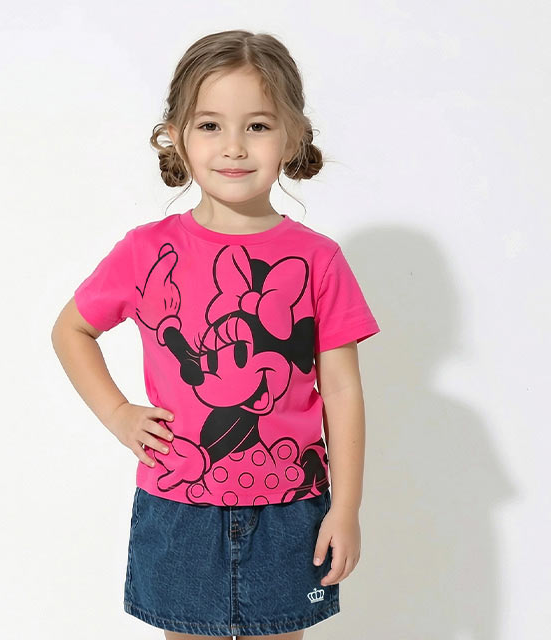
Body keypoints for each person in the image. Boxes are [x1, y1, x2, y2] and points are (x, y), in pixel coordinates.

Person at [51, 29, 381, 640]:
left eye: (257, 125)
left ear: (293, 136)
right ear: (176, 135)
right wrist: (119, 414)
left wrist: (346, 507)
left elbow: (341, 390)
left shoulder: (318, 260)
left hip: (291, 510)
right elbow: (71, 329)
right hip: (177, 509)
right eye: (210, 125)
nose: (233, 146)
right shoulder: (147, 251)